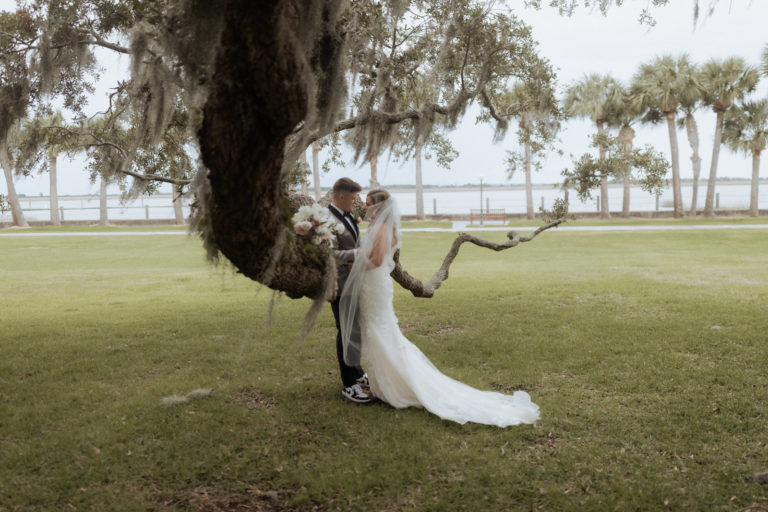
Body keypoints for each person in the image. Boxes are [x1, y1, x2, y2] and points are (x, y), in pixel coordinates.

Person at [339, 189, 540, 426]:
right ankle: (384, 382)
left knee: (379, 332)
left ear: (380, 207)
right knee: (378, 331)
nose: (366, 207)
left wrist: (353, 266)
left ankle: (396, 385)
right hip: (373, 286)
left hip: (374, 286)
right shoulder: (381, 227)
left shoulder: (382, 229)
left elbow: (376, 260)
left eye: (370, 204)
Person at [328, 178, 372, 404]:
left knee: (352, 329)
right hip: (339, 284)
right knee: (344, 331)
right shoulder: (327, 219)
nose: (355, 202)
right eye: (353, 198)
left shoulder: (347, 216)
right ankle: (348, 385)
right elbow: (329, 253)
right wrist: (356, 256)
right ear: (341, 197)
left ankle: (356, 371)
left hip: (353, 282)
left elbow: (352, 242)